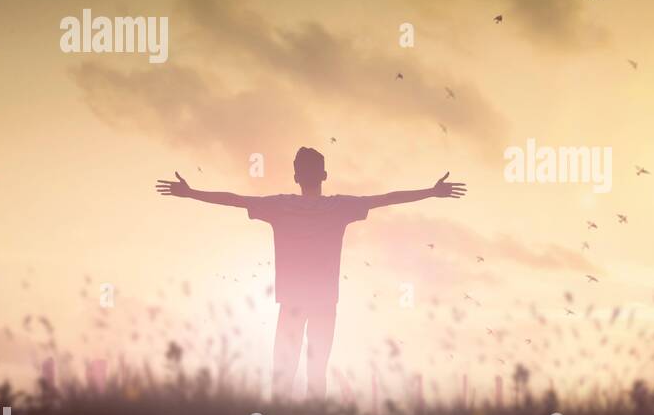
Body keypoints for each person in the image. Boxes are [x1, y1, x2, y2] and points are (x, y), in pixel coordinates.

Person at [155, 147, 466, 399]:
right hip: (323, 302)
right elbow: (387, 198)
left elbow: (234, 200)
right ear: (325, 175)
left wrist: (191, 192)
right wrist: (431, 191)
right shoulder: (341, 207)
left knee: (284, 370)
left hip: (292, 302)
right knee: (316, 371)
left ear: (295, 176)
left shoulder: (279, 206)